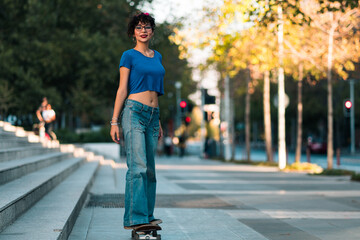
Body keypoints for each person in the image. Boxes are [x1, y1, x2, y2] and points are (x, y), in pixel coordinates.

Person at [110, 12, 164, 229]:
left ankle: (147, 216)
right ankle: (135, 218)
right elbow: (122, 89)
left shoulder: (158, 56)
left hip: (153, 116)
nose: (144, 31)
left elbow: (156, 93)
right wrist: (114, 121)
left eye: (147, 27)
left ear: (152, 31)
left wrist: (159, 120)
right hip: (134, 112)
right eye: (139, 27)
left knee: (150, 170)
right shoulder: (128, 56)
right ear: (133, 32)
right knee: (137, 167)